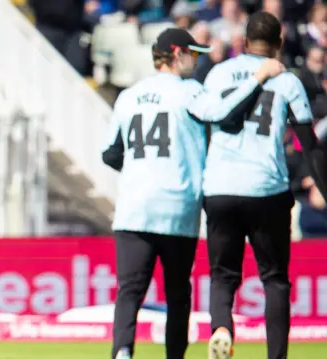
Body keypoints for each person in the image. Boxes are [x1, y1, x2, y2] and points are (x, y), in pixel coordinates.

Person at [101, 28, 286, 359]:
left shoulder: (128, 95)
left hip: (134, 206)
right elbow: (223, 112)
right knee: (177, 293)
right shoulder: (188, 91)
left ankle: (122, 352)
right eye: (193, 54)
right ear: (176, 53)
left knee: (129, 290)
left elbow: (111, 153)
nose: (196, 60)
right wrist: (258, 77)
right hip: (177, 206)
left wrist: (141, 172)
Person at [201, 11, 327, 359]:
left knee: (223, 275)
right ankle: (276, 357)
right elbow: (309, 144)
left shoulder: (218, 73)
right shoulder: (287, 81)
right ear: (279, 43)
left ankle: (222, 329)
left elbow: (210, 120)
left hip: (221, 187)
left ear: (243, 38)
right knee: (274, 279)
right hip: (266, 188)